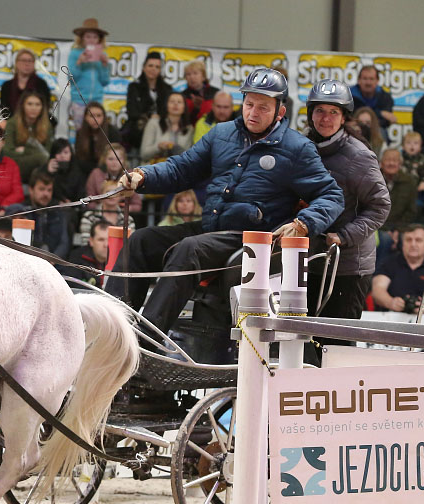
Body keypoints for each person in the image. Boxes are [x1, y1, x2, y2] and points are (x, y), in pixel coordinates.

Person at [107, 68, 343, 334]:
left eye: (263, 107)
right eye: (249, 104)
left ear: (280, 112)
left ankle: (145, 343)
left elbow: (332, 195)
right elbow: (181, 169)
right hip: (211, 229)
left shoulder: (297, 148)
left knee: (189, 249)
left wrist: (304, 223)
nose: (253, 112)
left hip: (250, 239)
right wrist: (143, 175)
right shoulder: (221, 134)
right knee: (140, 241)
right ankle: (113, 333)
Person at [303, 79, 390, 353]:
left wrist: (344, 236)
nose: (325, 118)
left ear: (343, 117)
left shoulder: (359, 155)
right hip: (306, 262)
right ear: (310, 114)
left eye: (333, 112)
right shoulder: (301, 147)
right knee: (303, 345)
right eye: (319, 111)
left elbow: (380, 206)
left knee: (335, 349)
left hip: (347, 268)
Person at [372, 224, 424, 312]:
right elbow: (378, 290)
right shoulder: (388, 263)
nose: (413, 244)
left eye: (418, 240)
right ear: (402, 244)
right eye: (408, 240)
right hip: (391, 317)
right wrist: (391, 302)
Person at [123, 52, 172, 152]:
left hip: (160, 129)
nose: (153, 69)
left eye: (157, 67)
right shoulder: (134, 87)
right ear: (144, 67)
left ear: (160, 70)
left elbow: (167, 111)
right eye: (150, 65)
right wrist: (150, 116)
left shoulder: (167, 89)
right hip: (139, 130)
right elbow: (132, 112)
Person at [66, 18, 110, 130]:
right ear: (82, 38)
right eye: (88, 37)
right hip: (79, 100)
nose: (91, 40)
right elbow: (71, 79)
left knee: (97, 131)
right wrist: (79, 63)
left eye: (95, 37)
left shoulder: (102, 55)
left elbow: (105, 81)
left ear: (99, 40)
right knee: (81, 132)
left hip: (97, 101)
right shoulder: (75, 54)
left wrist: (105, 65)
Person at [3, 91, 52, 182]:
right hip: (16, 164)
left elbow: (48, 153)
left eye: (37, 104)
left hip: (40, 166)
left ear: (42, 107)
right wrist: (34, 152)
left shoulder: (47, 125)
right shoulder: (12, 123)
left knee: (44, 160)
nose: (34, 108)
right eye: (29, 104)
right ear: (23, 106)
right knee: (41, 158)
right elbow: (7, 152)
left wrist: (24, 150)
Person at [84, 142, 142, 213]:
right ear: (104, 160)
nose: (114, 162)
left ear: (124, 160)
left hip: (123, 215)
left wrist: (121, 210)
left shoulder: (130, 176)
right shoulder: (95, 174)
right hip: (99, 213)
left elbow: (137, 205)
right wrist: (104, 208)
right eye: (110, 159)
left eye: (118, 159)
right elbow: (89, 201)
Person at [139, 92, 193, 164]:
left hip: (178, 170)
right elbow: (144, 155)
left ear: (184, 107)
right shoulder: (154, 123)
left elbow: (189, 157)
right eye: (172, 101)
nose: (175, 104)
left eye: (179, 102)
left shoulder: (189, 129)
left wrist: (175, 147)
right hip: (152, 168)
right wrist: (158, 147)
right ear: (166, 106)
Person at [0, 49, 53, 120]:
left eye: (30, 61)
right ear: (16, 63)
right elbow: (4, 110)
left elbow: (45, 107)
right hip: (11, 123)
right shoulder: (7, 86)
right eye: (24, 60)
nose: (27, 64)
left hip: (36, 123)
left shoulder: (41, 85)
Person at [58, 219, 109, 287]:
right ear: (91, 241)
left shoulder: (121, 260)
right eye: (101, 240)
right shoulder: (76, 258)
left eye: (109, 239)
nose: (106, 244)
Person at [74, 102, 120, 175]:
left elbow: (117, 157)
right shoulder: (80, 133)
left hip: (107, 172)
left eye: (99, 116)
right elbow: (79, 158)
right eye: (92, 116)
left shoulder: (112, 132)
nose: (95, 119)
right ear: (85, 117)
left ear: (104, 117)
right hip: (84, 173)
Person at [351, 64, 395, 139]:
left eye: (371, 79)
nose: (368, 82)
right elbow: (349, 118)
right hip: (354, 130)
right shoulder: (349, 96)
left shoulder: (385, 97)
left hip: (377, 131)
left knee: (381, 131)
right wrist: (380, 113)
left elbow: (386, 122)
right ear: (359, 80)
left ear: (377, 81)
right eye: (365, 79)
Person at [379, 148, 419, 231]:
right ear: (381, 163)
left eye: (395, 160)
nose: (391, 163)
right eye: (387, 160)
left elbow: (411, 211)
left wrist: (398, 229)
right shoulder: (373, 181)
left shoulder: (409, 182)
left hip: (402, 228)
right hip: (377, 227)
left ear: (400, 164)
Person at [44, 138, 86, 204]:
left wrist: (72, 204)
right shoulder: (45, 170)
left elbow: (81, 196)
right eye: (58, 152)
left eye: (66, 152)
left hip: (72, 208)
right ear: (53, 155)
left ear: (71, 154)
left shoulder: (77, 172)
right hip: (51, 206)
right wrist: (48, 174)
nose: (62, 156)